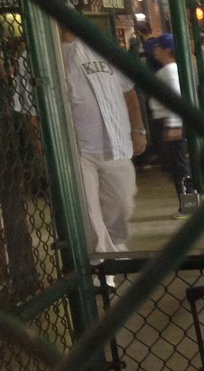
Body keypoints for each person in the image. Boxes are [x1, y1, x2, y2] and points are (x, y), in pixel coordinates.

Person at [15, 23, 147, 254]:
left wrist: (138, 129)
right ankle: (101, 263)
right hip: (73, 150)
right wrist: (42, 147)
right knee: (87, 212)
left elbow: (128, 91)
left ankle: (114, 245)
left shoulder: (101, 47)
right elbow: (31, 112)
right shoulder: (32, 57)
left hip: (115, 142)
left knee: (121, 204)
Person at [143, 34, 191, 219]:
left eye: (158, 48)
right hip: (167, 121)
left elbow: (174, 97)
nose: (155, 51)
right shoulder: (171, 69)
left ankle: (189, 205)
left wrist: (173, 125)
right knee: (175, 165)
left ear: (167, 50)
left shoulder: (169, 71)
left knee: (178, 167)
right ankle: (189, 202)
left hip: (168, 121)